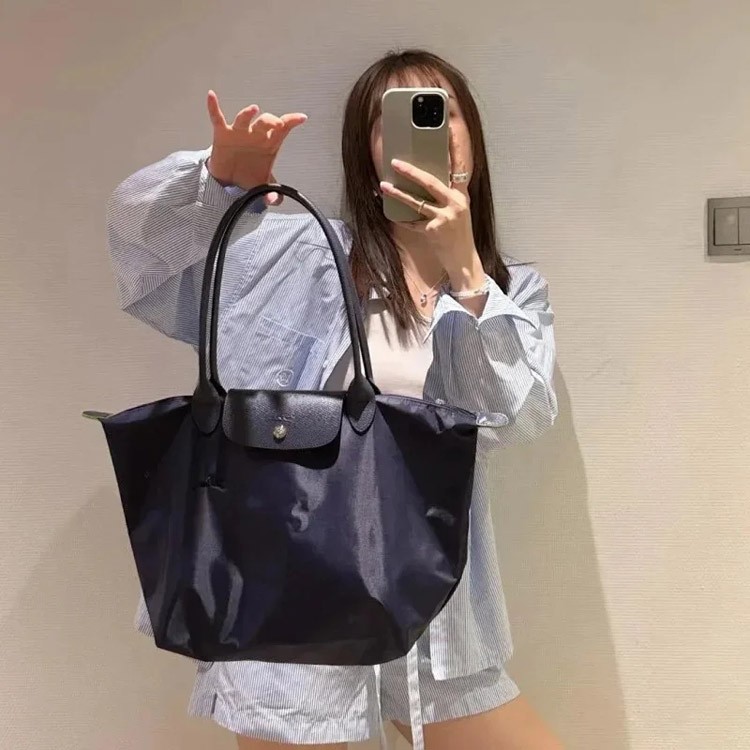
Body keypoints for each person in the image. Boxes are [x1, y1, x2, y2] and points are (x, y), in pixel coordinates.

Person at [106, 49, 561, 750]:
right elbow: (145, 271)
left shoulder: (510, 292)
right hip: (286, 601)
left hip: (434, 611)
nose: (425, 130)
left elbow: (513, 418)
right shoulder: (292, 255)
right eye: (394, 118)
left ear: (471, 138)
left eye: (440, 112)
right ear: (364, 149)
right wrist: (217, 183)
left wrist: (466, 270)